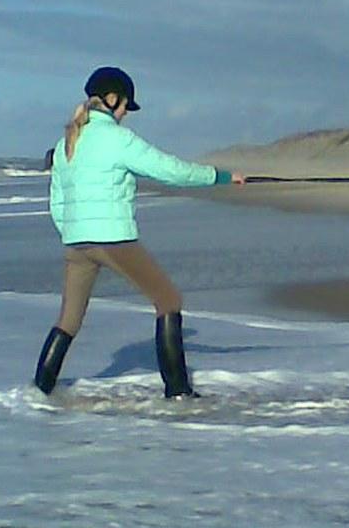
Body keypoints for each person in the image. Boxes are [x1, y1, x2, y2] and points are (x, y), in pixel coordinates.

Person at [34, 66, 245, 398]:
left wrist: (75, 231)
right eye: (125, 108)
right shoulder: (118, 140)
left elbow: (57, 202)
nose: (125, 116)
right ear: (113, 100)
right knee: (168, 300)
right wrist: (219, 177)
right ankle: (178, 393)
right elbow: (170, 170)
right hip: (113, 239)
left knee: (69, 320)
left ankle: (39, 391)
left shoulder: (66, 144)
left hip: (76, 244)